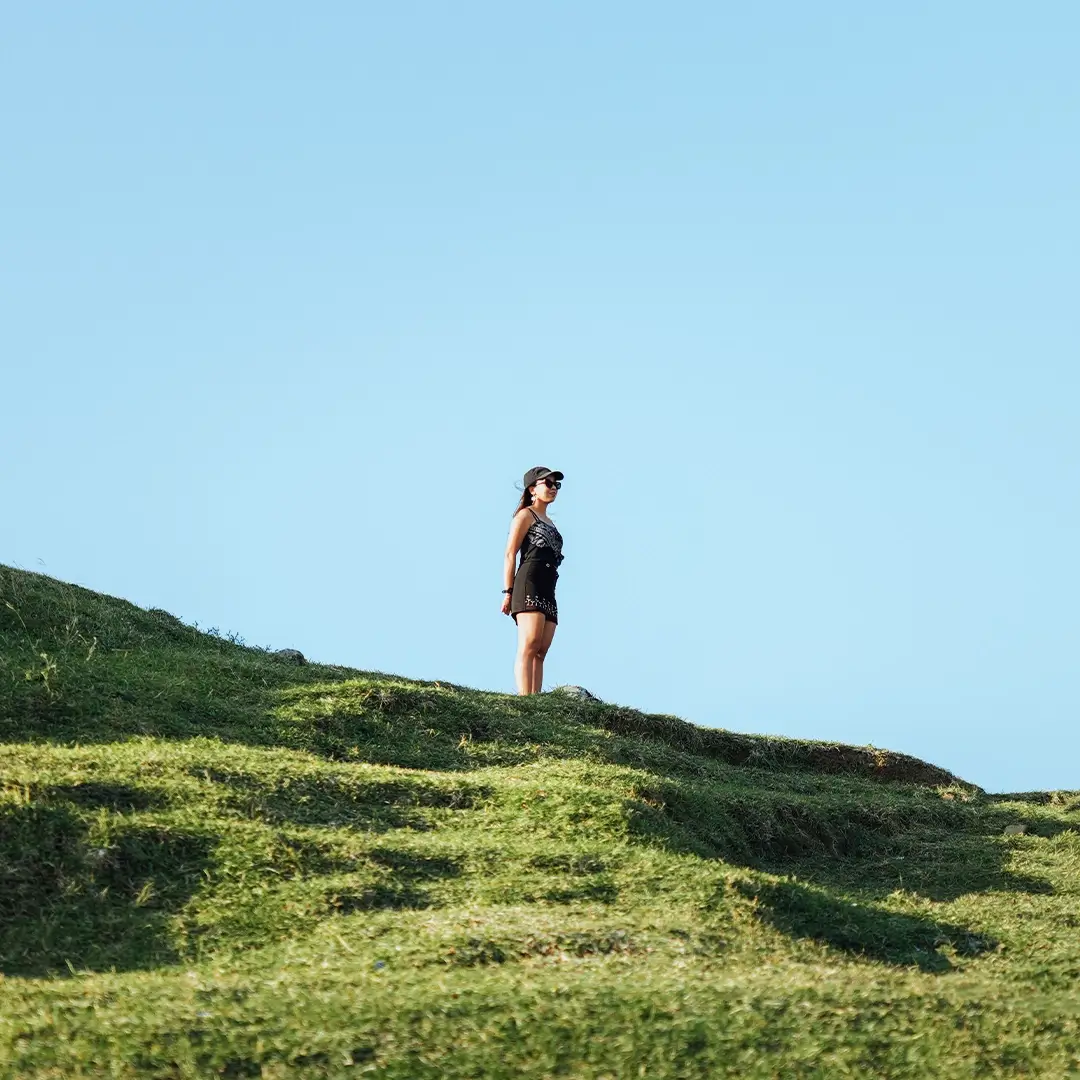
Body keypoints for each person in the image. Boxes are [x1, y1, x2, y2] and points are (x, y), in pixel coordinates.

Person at [501, 466, 565, 695]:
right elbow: (510, 554)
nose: (553, 488)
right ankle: (524, 698)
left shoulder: (552, 524)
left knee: (541, 650)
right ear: (532, 489)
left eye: (556, 484)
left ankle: (535, 700)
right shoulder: (525, 516)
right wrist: (508, 592)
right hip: (530, 582)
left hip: (549, 587)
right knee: (529, 643)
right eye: (547, 483)